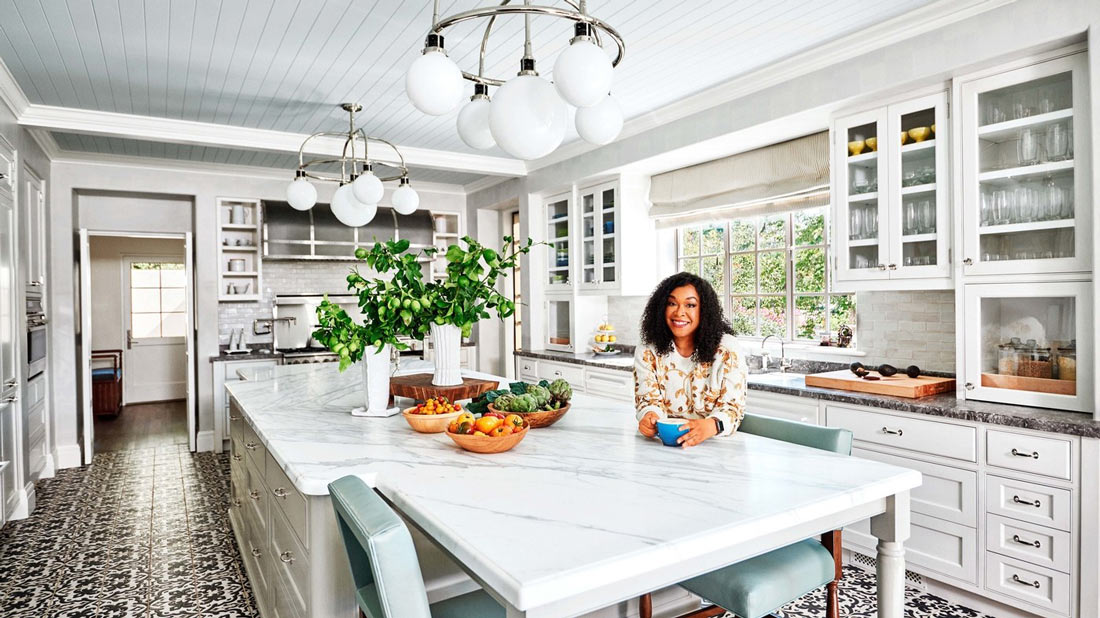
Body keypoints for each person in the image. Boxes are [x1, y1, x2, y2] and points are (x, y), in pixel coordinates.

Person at [634, 272, 747, 447]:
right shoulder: (648, 349)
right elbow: (649, 401)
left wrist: (710, 426)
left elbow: (732, 409)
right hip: (662, 447)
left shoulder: (727, 349)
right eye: (672, 303)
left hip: (715, 447)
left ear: (704, 310)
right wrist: (649, 417)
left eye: (690, 305)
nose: (679, 312)